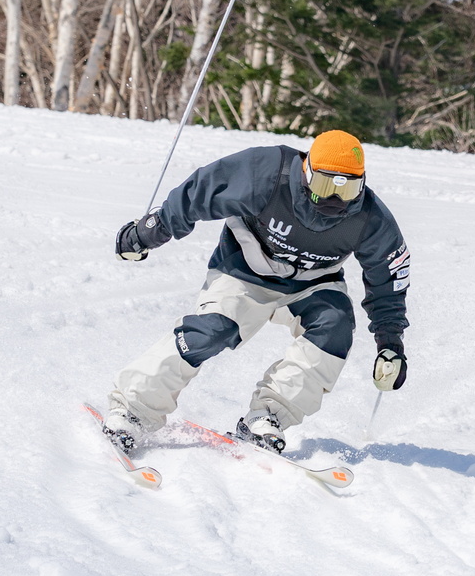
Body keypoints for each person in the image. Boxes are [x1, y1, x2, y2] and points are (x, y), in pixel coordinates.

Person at [102, 129, 410, 454]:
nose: (334, 201)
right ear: (307, 173)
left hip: (313, 283)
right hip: (246, 269)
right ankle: (132, 408)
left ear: (361, 184)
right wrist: (150, 230)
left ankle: (267, 416)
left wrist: (390, 342)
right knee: (209, 332)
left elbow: (389, 280)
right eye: (324, 187)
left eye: (346, 190)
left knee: (335, 331)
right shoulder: (268, 173)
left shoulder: (370, 219)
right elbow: (203, 191)